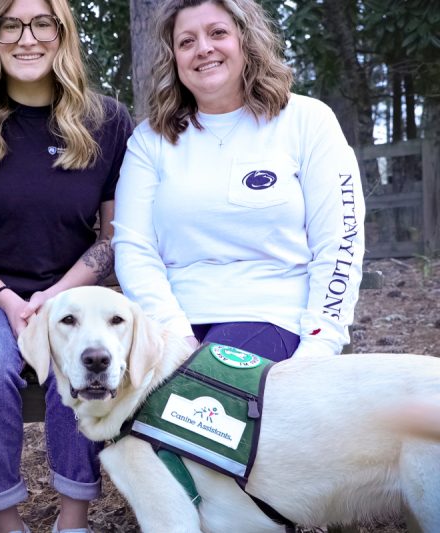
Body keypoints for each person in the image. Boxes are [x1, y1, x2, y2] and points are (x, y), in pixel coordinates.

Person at [0, 0, 134, 531]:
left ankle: (72, 518)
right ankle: (6, 519)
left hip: (72, 294)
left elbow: (114, 235)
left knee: (80, 355)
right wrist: (8, 300)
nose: (27, 38)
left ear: (63, 33)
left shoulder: (105, 121)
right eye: (10, 25)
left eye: (43, 23)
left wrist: (55, 299)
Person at [113, 0, 366, 363]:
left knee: (208, 390)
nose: (203, 49)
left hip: (273, 317)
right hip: (169, 324)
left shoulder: (307, 121)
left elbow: (340, 243)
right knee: (91, 390)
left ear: (246, 40)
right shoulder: (150, 141)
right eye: (186, 42)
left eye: (218, 33)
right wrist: (175, 333)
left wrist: (319, 344)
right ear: (173, 58)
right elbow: (134, 249)